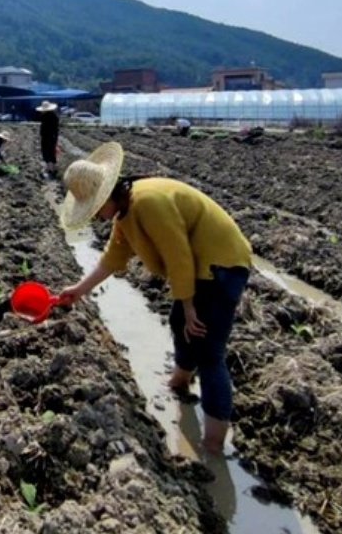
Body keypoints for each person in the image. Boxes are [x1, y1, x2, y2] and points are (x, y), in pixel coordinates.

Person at [56, 143, 252, 454]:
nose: (98, 217)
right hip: (201, 266)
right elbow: (113, 259)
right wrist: (78, 290)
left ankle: (214, 443)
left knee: (209, 351)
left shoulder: (147, 203)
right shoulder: (126, 212)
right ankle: (179, 380)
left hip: (221, 265)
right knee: (179, 322)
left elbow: (179, 256)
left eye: (96, 208)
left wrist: (189, 304)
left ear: (108, 195)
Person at [36, 101, 60, 177]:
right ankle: (53, 169)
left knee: (46, 153)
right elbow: (56, 129)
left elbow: (43, 129)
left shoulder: (45, 117)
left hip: (46, 137)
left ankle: (50, 170)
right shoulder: (55, 117)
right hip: (53, 137)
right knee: (52, 153)